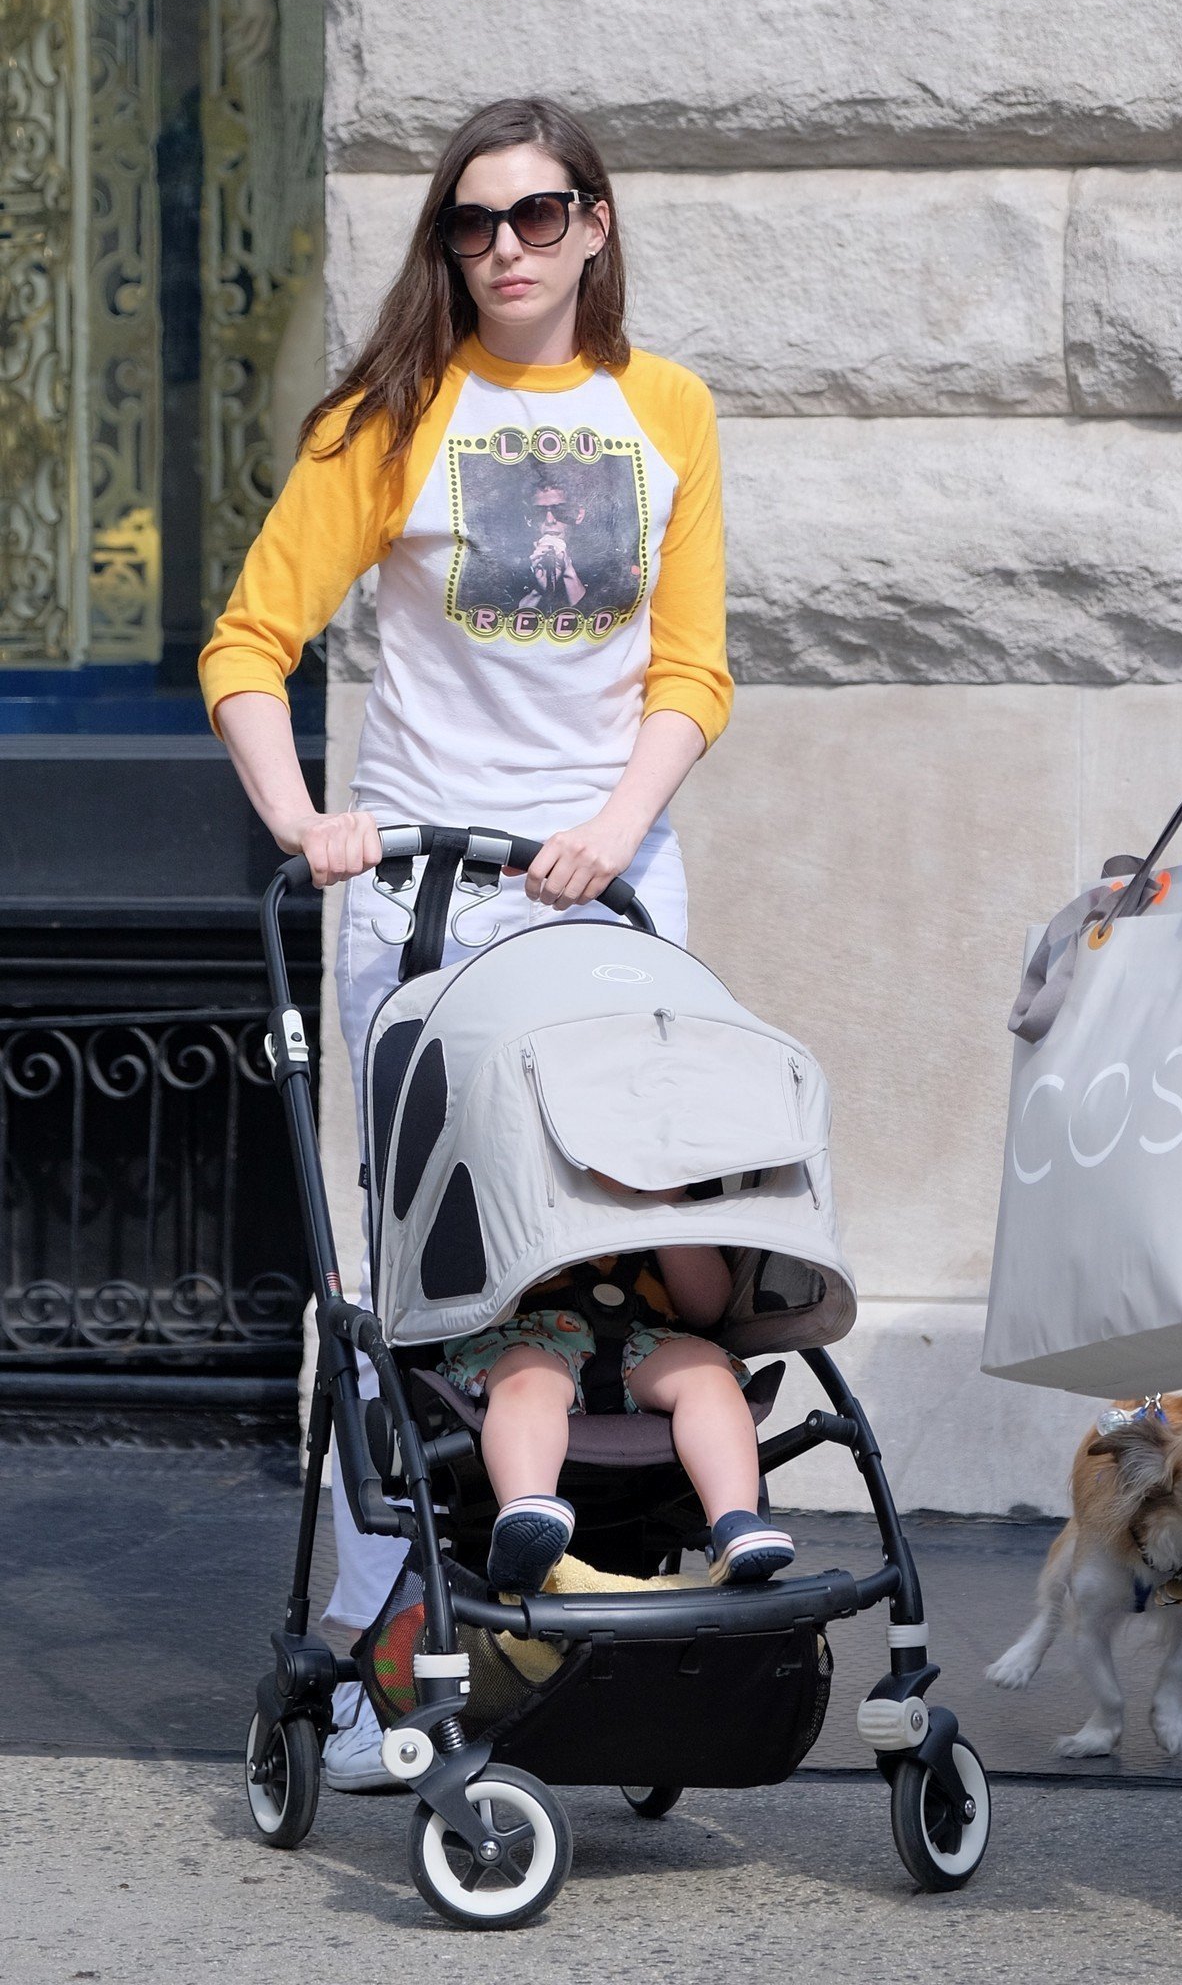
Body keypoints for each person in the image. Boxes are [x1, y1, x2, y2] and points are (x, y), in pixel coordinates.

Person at [199, 96, 744, 1787]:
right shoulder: (389, 419)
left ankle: (619, 1623)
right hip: (427, 900)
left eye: (533, 213)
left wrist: (611, 824)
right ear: (448, 244)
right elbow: (248, 641)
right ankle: (395, 1664)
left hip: (611, 895)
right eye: (470, 222)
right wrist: (307, 827)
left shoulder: (665, 412)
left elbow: (690, 668)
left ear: (594, 222)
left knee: (633, 1259)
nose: (501, 245)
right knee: (424, 1286)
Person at [441, 1176, 797, 1595]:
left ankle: (734, 1523)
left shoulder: (676, 1199)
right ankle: (525, 1520)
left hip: (643, 1339)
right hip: (529, 1334)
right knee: (527, 1381)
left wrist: (664, 1209)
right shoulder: (517, 1179)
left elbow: (706, 1309)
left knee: (707, 1373)